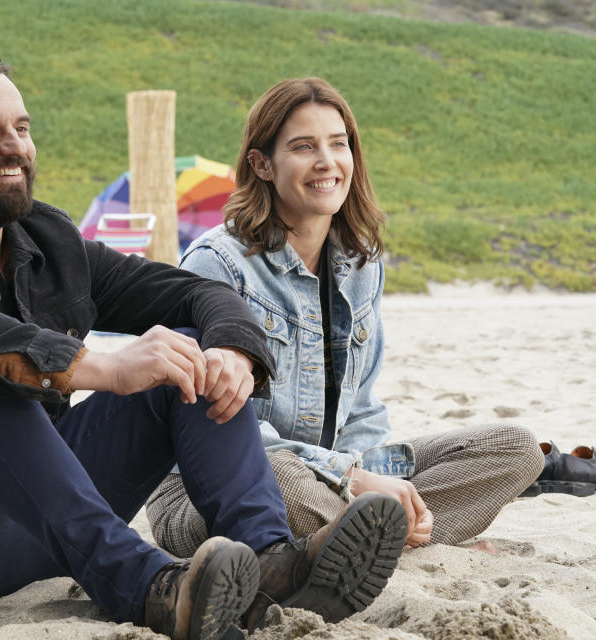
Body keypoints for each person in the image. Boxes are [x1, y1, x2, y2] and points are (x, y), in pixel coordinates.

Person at [0, 51, 408, 640]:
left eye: (22, 128)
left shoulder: (45, 238)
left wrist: (233, 350)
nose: (14, 147)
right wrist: (101, 367)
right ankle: (156, 592)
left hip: (36, 531)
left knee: (182, 351)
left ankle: (272, 561)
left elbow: (192, 293)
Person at [146, 77, 545, 558]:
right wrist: (352, 481)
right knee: (284, 482)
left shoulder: (361, 265)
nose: (326, 162)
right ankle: (378, 538)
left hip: (335, 476)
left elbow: (362, 408)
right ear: (262, 164)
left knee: (515, 447)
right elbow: (220, 421)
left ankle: (363, 540)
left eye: (339, 144)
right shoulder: (219, 263)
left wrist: (363, 476)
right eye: (303, 146)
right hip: (217, 484)